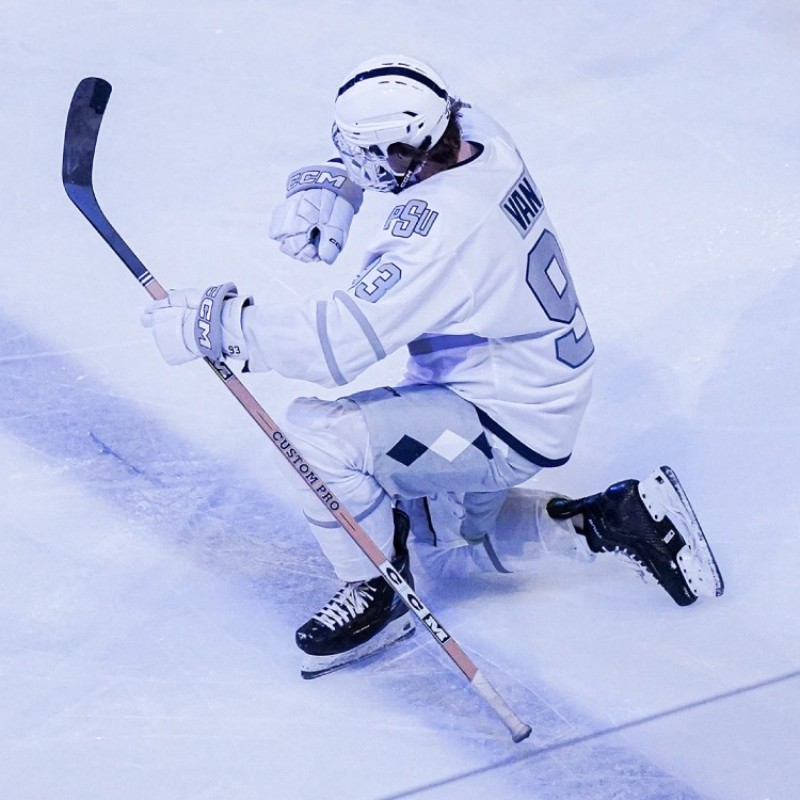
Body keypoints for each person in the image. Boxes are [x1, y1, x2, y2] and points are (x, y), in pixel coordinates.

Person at [142, 55, 724, 679]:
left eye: (364, 154)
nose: (356, 161)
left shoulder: (441, 236)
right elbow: (402, 149)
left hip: (497, 421)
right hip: (526, 387)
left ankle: (376, 591)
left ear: (400, 152)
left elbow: (333, 346)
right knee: (441, 545)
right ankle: (616, 520)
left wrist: (218, 326)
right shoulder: (476, 133)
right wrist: (336, 183)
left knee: (317, 440)